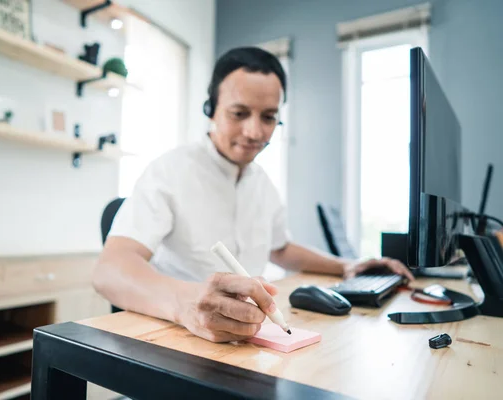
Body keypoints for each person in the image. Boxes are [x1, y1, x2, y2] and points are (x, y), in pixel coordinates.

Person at [93, 47, 413, 343]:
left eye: (269, 117)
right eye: (239, 113)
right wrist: (185, 304)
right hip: (180, 337)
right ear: (211, 109)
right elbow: (109, 270)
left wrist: (348, 266)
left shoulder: (261, 180)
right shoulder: (169, 171)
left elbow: (282, 248)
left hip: (250, 336)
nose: (255, 132)